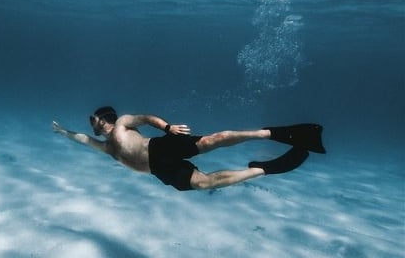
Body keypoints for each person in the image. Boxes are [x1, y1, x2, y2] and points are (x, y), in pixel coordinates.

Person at [52, 106, 325, 191]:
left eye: (94, 120)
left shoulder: (122, 123)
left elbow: (145, 118)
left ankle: (275, 133)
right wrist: (65, 132)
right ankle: (266, 169)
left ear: (105, 118)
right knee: (205, 184)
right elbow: (84, 141)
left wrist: (167, 127)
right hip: (159, 170)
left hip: (160, 146)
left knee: (211, 141)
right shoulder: (106, 147)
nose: (92, 125)